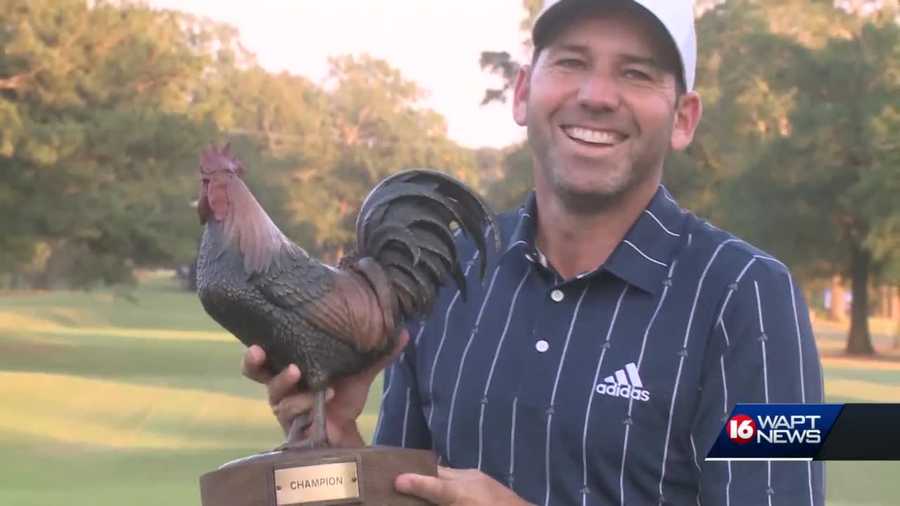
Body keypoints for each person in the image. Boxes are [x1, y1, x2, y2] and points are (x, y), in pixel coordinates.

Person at [243, 0, 825, 504]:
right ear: (523, 93)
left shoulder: (755, 295)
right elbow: (406, 496)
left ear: (683, 118)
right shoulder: (449, 272)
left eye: (637, 73)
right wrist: (338, 445)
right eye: (571, 61)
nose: (597, 95)